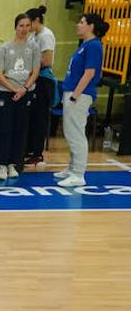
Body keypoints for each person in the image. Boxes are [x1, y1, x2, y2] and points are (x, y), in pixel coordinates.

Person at [56, 12, 107, 188]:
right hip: (72, 93)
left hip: (79, 95)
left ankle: (78, 174)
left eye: (82, 22)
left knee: (76, 133)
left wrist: (75, 95)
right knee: (70, 133)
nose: (78, 25)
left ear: (91, 26)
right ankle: (72, 168)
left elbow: (91, 73)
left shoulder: (94, 45)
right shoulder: (85, 45)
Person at [0, 14, 41, 181]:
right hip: (6, 92)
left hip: (25, 92)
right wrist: (13, 89)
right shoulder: (5, 48)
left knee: (19, 130)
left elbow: (35, 71)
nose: (24, 29)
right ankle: (1, 164)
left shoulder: (34, 48)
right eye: (21, 25)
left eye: (28, 25)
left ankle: (13, 164)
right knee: (5, 129)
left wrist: (24, 89)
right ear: (15, 27)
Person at [23, 6, 57, 167]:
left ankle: (37, 153)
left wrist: (30, 67)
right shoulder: (32, 37)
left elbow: (47, 60)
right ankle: (28, 149)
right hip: (32, 79)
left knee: (40, 118)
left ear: (36, 21)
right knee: (31, 117)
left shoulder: (46, 36)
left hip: (43, 80)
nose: (27, 28)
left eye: (29, 24)